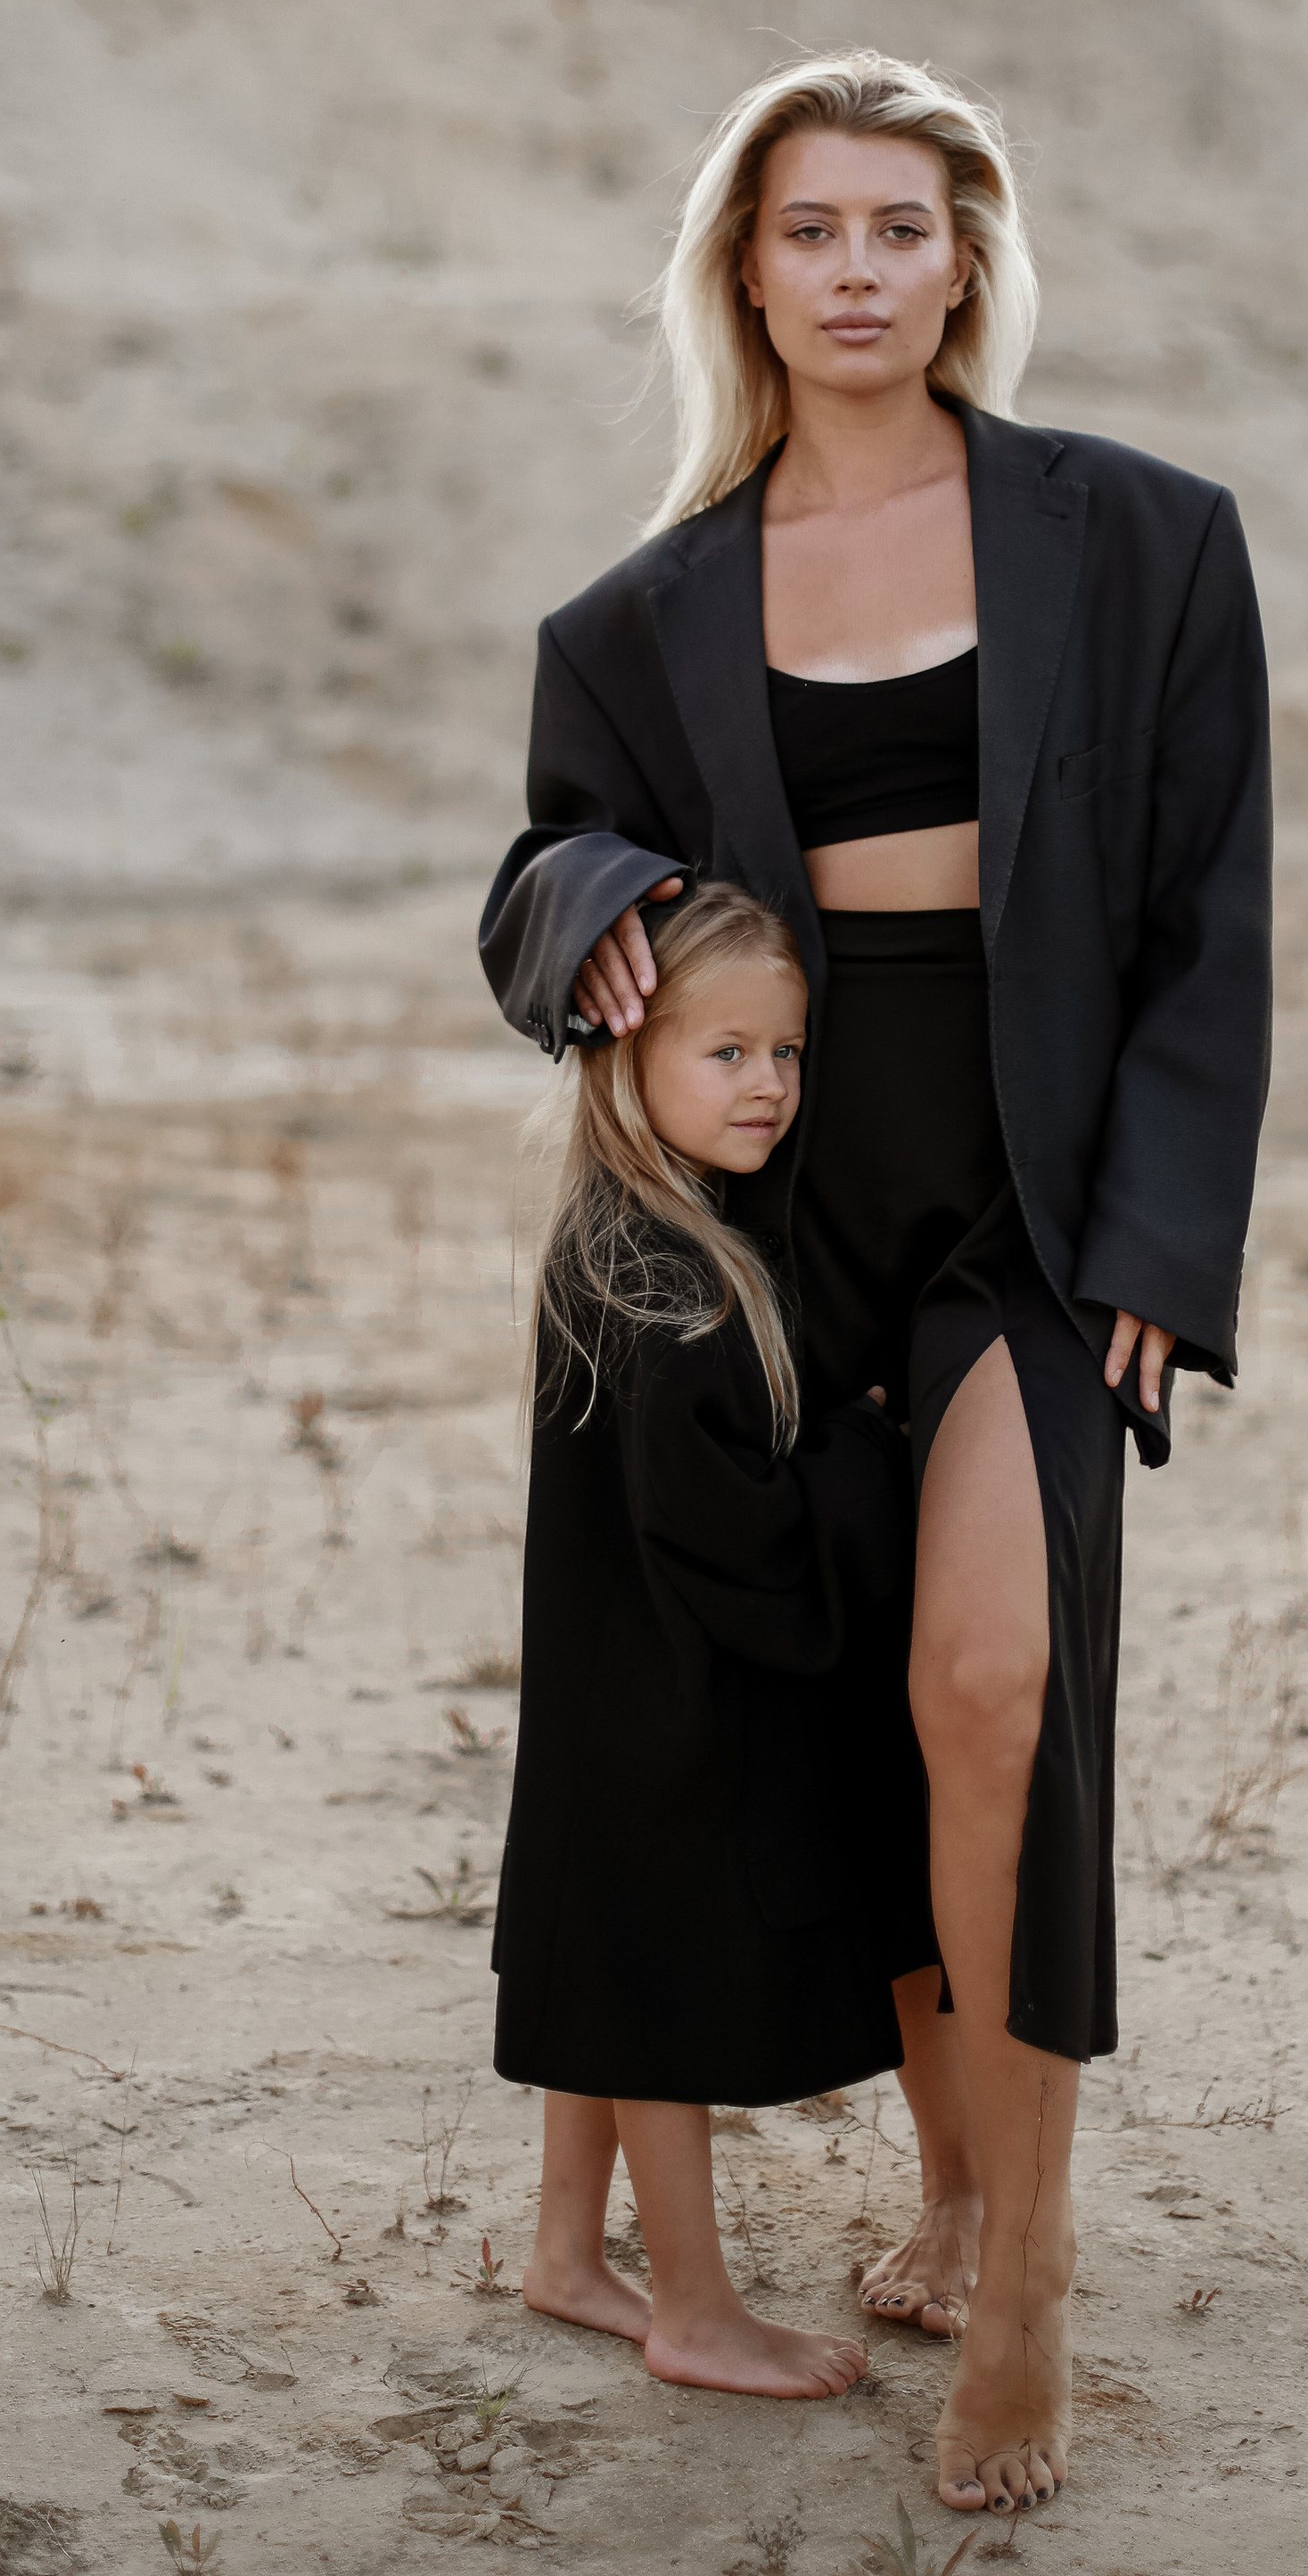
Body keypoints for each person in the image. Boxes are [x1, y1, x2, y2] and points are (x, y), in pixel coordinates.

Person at [481, 52, 1271, 2514]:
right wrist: (587, 915)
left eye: (900, 229)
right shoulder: (640, 612)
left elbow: (1210, 921)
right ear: (746, 269)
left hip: (1026, 1232)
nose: (855, 272)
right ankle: (932, 2184)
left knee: (993, 1694)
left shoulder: (1139, 543)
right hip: (769, 1246)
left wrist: (1156, 1238)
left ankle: (1018, 2275)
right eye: (808, 231)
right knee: (833, 1719)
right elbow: (538, 871)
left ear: (969, 258)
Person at [494, 879, 917, 2400]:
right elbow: (739, 1532)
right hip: (662, 1706)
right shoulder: (663, 1288)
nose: (769, 1086)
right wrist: (873, 1457)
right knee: (658, 1997)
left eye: (788, 1053)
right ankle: (692, 2305)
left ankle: (565, 2255)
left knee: (605, 1968)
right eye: (726, 1052)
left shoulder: (637, 1236)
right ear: (629, 1049)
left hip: (611, 1695)